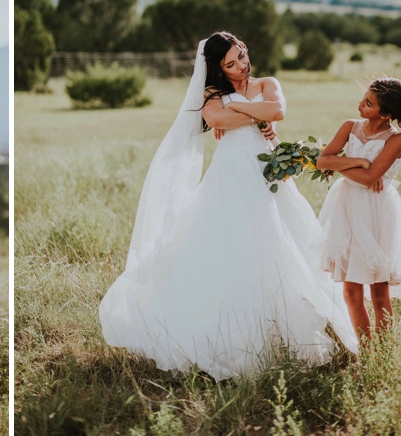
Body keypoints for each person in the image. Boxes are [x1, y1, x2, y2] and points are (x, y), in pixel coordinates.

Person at [99, 32, 358, 380]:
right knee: (231, 244)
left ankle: (288, 325)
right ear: (218, 67)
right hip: (230, 175)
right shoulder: (211, 94)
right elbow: (218, 121)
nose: (240, 66)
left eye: (241, 56)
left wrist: (238, 107)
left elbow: (278, 110)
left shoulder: (267, 83)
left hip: (268, 172)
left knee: (283, 241)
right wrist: (253, 114)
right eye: (230, 64)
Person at [315, 77, 401, 340]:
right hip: (347, 208)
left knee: (379, 291)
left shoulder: (396, 140)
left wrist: (342, 165)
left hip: (377, 213)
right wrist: (358, 161)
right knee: (350, 290)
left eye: (368, 103)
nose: (360, 104)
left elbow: (370, 179)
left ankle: (383, 351)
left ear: (385, 114)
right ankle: (366, 349)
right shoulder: (350, 126)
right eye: (363, 98)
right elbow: (322, 161)